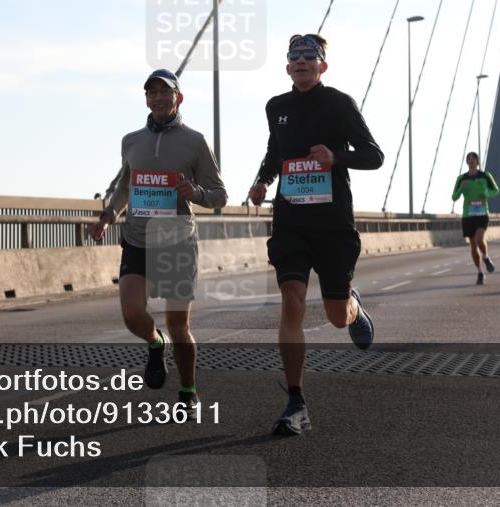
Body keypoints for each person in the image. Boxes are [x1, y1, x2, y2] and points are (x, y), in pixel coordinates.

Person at [248, 33, 384, 436]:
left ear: (322, 65)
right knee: (291, 301)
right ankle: (295, 401)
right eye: (295, 57)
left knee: (335, 317)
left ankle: (353, 307)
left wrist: (336, 157)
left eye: (310, 57)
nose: (302, 62)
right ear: (288, 66)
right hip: (290, 219)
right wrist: (261, 182)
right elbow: (276, 153)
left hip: (332, 224)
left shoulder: (340, 104)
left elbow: (374, 155)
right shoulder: (277, 107)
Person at [89, 69, 227, 408]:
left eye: (165, 92)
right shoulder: (131, 141)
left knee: (178, 325)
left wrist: (194, 192)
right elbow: (125, 186)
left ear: (178, 97)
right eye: (151, 93)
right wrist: (109, 215)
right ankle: (154, 343)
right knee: (131, 312)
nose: (158, 98)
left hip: (177, 241)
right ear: (146, 99)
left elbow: (219, 195)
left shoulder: (195, 141)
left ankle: (188, 393)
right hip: (136, 237)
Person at [451, 152, 500, 285]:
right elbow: (454, 197)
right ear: (467, 162)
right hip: (468, 215)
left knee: (479, 239)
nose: (471, 161)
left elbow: (496, 190)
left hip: (482, 214)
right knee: (473, 246)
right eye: (469, 159)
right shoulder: (461, 178)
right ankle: (479, 272)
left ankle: (486, 257)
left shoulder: (485, 176)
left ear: (478, 162)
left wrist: (486, 193)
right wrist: (461, 188)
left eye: (473, 159)